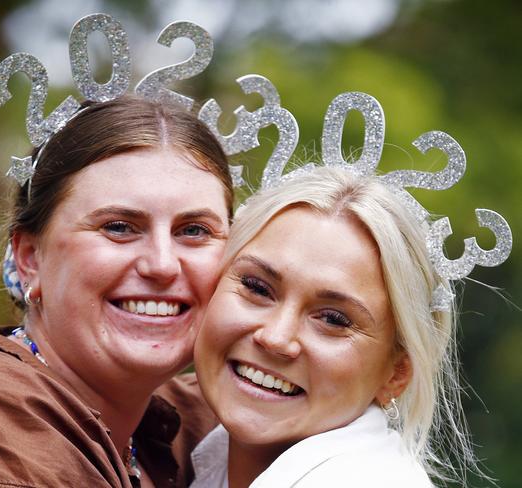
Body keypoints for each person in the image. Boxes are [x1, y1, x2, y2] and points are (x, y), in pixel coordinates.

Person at [0, 96, 233, 488]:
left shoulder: (196, 415)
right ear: (30, 258)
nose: (162, 264)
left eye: (194, 231)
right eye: (119, 226)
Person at [191, 165, 486, 487]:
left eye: (333, 319)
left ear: (396, 374)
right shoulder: (186, 450)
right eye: (257, 288)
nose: (276, 338)